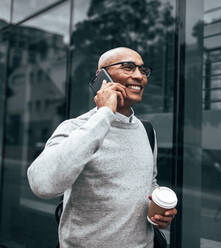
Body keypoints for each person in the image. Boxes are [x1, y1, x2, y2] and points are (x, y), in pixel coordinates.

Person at [27, 47, 177, 248]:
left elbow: (148, 182)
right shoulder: (74, 128)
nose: (139, 76)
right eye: (128, 67)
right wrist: (105, 113)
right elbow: (42, 184)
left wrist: (157, 209)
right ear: (101, 76)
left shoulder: (147, 131)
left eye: (143, 70)